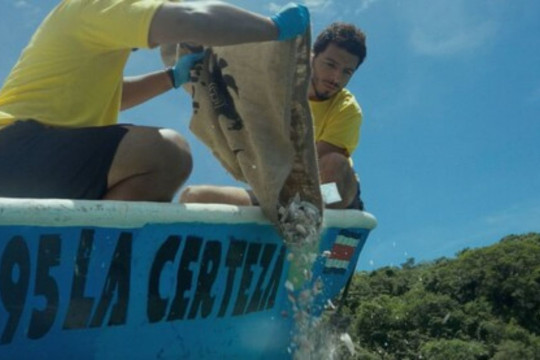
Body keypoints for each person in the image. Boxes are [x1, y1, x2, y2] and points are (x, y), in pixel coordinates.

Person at [0, 1, 309, 202]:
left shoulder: (84, 29)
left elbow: (114, 95)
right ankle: (94, 263)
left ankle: (82, 258)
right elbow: (190, 19)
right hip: (14, 148)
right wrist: (274, 29)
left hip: (29, 155)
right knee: (166, 152)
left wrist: (173, 77)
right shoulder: (95, 6)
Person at [180, 22, 367, 209]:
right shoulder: (278, 85)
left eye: (347, 71)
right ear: (312, 57)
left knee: (335, 163)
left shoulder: (347, 108)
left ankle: (317, 224)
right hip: (279, 196)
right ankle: (283, 221)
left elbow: (313, 167)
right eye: (330, 64)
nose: (336, 78)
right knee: (194, 197)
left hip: (329, 196)